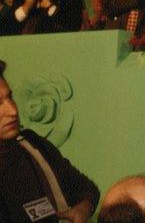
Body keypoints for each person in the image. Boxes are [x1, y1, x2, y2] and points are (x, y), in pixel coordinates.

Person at [0, 60, 100, 222]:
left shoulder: (32, 143)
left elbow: (86, 188)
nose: (12, 110)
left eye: (10, 97)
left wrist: (83, 208)